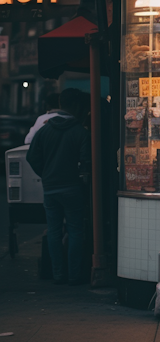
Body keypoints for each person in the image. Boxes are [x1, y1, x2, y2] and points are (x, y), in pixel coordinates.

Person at [26, 88, 91, 285]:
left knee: (53, 231)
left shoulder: (44, 130)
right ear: (77, 107)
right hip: (72, 188)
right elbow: (86, 162)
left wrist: (45, 174)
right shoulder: (81, 132)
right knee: (75, 231)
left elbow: (31, 157)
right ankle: (74, 274)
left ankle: (58, 274)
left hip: (50, 188)